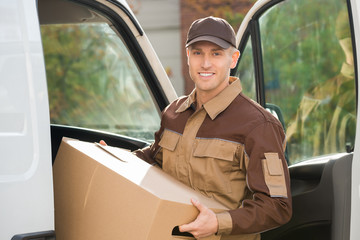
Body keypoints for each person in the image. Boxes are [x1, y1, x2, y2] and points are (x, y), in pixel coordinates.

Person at [102, 16, 292, 239]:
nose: (205, 63)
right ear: (188, 57)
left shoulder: (259, 125)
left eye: (216, 53)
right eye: (197, 52)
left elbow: (278, 206)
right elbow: (154, 159)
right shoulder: (173, 113)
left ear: (233, 59)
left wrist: (218, 223)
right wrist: (113, 159)